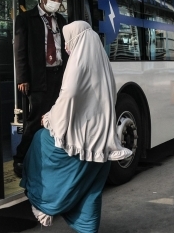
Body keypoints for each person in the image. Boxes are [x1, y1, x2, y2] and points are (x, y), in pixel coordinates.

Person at [20, 21, 132, 231]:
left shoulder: (78, 62)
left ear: (76, 40)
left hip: (81, 142)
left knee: (39, 143)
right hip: (104, 145)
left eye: (68, 41)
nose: (66, 47)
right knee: (91, 191)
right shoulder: (103, 64)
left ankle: (44, 206)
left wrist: (49, 118)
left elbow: (68, 96)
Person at [13, 0, 68, 177]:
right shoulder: (26, 19)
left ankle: (50, 157)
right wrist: (22, 78)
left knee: (58, 118)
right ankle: (21, 158)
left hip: (59, 75)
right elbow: (20, 51)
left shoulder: (61, 21)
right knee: (36, 119)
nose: (57, 1)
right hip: (38, 77)